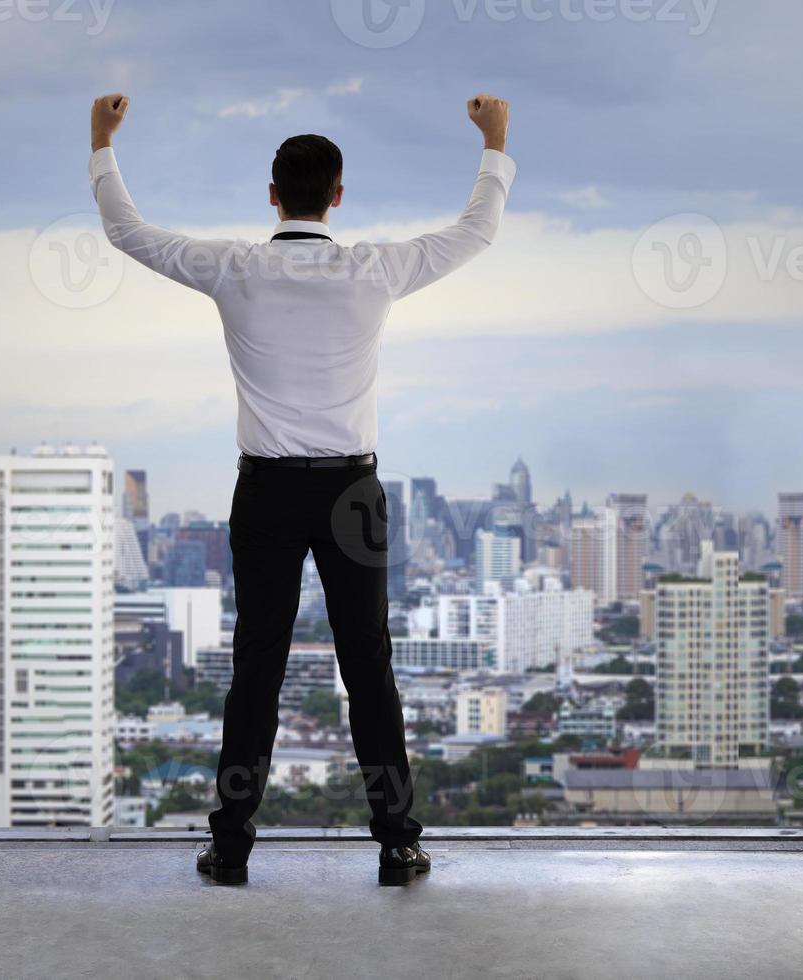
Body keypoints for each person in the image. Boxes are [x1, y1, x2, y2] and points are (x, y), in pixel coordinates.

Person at [88, 91, 515, 885]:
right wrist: (495, 141)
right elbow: (477, 229)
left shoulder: (235, 268)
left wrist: (102, 143)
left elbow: (127, 231)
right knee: (368, 670)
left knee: (258, 669)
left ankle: (231, 846)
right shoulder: (375, 269)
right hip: (354, 495)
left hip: (268, 495)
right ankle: (397, 845)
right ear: (339, 196)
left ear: (273, 194)